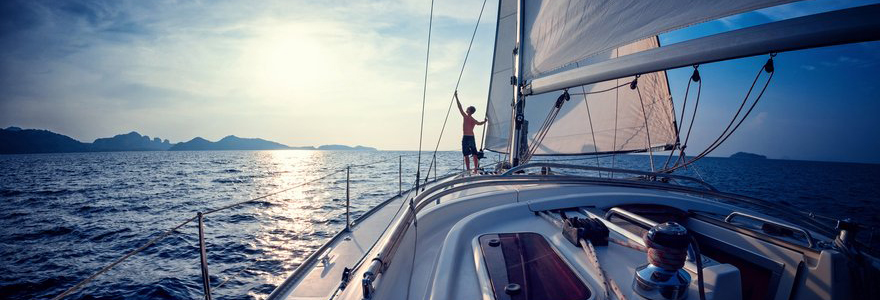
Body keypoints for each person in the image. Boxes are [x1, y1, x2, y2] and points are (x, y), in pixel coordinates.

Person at [455, 91, 487, 174]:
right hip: (472, 137)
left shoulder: (466, 117)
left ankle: (468, 169)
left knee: (466, 154)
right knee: (474, 153)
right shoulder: (473, 120)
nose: (466, 109)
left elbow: (459, 107)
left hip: (466, 137)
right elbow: (479, 123)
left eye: (467, 108)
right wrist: (485, 121)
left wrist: (456, 97)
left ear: (469, 111)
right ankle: (475, 169)